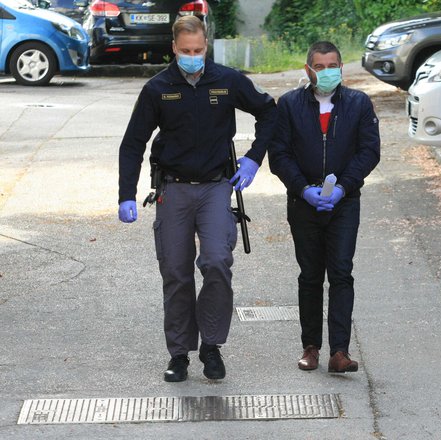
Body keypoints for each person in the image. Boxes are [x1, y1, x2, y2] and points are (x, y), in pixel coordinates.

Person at [117, 16, 276, 382]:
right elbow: (133, 143)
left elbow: (270, 112)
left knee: (217, 261)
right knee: (175, 271)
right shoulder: (158, 88)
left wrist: (254, 158)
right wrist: (126, 194)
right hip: (173, 189)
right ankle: (179, 353)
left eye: (198, 50)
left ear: (208, 46)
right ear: (174, 48)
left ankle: (212, 346)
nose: (192, 57)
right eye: (186, 51)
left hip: (216, 187)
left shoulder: (227, 80)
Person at [269, 41, 380, 373]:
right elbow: (279, 154)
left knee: (342, 273)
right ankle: (311, 347)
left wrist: (344, 186)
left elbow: (369, 151)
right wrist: (303, 189)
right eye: (320, 66)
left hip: (344, 203)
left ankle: (340, 351)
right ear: (308, 70)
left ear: (342, 68)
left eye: (333, 65)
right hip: (303, 203)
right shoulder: (289, 104)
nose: (327, 72)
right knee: (310, 275)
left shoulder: (358, 103)